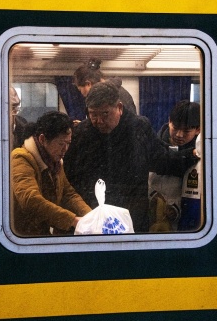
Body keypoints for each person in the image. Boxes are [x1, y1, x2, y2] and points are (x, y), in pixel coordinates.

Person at [64, 82, 199, 232]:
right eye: (93, 114)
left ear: (119, 108)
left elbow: (162, 160)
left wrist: (192, 154)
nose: (99, 121)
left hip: (131, 217)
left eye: (105, 114)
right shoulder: (81, 134)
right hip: (92, 216)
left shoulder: (138, 128)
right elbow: (69, 178)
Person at [11, 111, 92, 236]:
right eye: (61, 144)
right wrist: (72, 220)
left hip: (41, 234)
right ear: (42, 139)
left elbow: (68, 194)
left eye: (68, 143)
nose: (65, 149)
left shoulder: (55, 162)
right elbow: (30, 199)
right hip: (20, 237)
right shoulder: (21, 158)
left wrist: (91, 216)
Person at [148, 100, 201, 232]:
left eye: (186, 131)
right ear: (169, 121)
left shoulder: (200, 156)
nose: (179, 135)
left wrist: (175, 208)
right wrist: (152, 196)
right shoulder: (153, 145)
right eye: (175, 128)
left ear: (198, 130)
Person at [73, 57, 137, 116]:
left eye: (80, 89)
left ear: (88, 84)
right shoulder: (114, 93)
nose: (82, 94)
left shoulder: (115, 95)